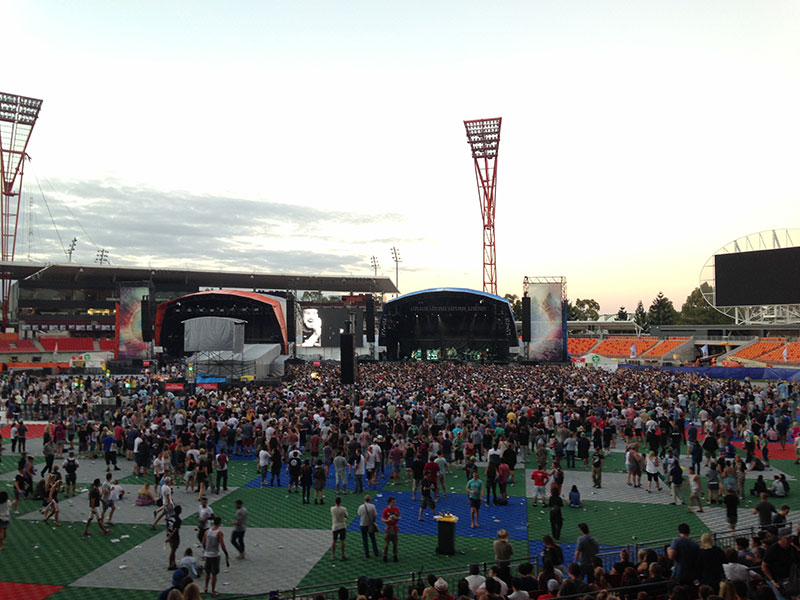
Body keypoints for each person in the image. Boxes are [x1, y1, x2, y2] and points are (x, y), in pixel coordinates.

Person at [202, 516, 230, 596]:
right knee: (214, 574)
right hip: (215, 555)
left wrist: (206, 551)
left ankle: (206, 587)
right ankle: (213, 590)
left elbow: (203, 542)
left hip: (207, 554)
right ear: (220, 523)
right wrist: (226, 554)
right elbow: (222, 545)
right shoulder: (219, 533)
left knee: (207, 572)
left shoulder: (207, 532)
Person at [382, 496, 400, 562]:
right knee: (386, 544)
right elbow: (382, 519)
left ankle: (395, 555)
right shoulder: (386, 510)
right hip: (388, 528)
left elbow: (399, 517)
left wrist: (396, 518)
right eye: (393, 502)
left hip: (395, 528)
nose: (394, 503)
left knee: (395, 543)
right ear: (389, 502)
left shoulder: (396, 509)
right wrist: (387, 520)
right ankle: (385, 556)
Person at [330, 496, 348, 560]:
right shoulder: (343, 509)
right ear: (340, 502)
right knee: (342, 541)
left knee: (334, 540)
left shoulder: (332, 508)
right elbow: (346, 516)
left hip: (335, 526)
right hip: (342, 525)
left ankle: (333, 555)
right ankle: (343, 555)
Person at [165, 505, 183, 570]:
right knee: (173, 551)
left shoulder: (170, 517)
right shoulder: (178, 520)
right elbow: (175, 529)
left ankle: (173, 563)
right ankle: (171, 564)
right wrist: (170, 537)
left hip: (169, 534)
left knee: (173, 550)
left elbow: (166, 526)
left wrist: (168, 533)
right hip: (174, 537)